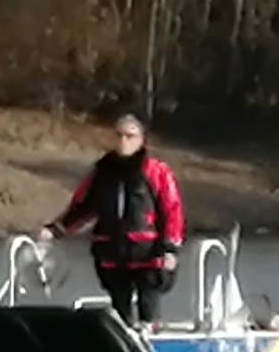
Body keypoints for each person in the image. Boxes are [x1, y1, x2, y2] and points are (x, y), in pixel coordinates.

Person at [52, 111, 187, 322]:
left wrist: (170, 247)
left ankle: (149, 333)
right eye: (119, 135)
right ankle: (122, 340)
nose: (123, 141)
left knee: (148, 305)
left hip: (148, 253)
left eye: (130, 136)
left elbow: (172, 210)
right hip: (112, 252)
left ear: (141, 140)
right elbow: (83, 206)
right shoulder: (101, 172)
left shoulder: (156, 172)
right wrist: (55, 229)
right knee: (119, 311)